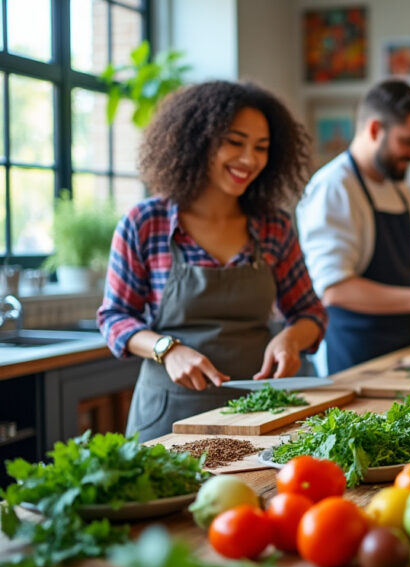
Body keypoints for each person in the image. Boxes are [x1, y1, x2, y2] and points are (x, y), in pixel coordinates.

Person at [97, 81, 327, 442]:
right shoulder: (145, 223)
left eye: (261, 147)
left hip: (259, 410)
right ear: (198, 140)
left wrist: (291, 340)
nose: (249, 159)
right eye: (235, 142)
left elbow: (311, 313)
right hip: (167, 412)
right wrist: (166, 349)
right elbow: (114, 318)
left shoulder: (274, 226)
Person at [296, 80, 410, 373]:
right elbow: (335, 289)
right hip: (354, 356)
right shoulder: (335, 188)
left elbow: (399, 271)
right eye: (408, 141)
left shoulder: (398, 187)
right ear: (374, 129)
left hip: (404, 350)